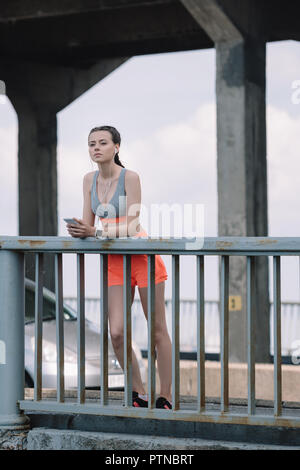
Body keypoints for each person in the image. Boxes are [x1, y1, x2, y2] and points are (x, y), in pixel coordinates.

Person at [67, 125, 172, 409]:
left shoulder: (131, 177)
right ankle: (138, 391)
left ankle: (165, 395)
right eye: (91, 144)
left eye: (102, 142)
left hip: (142, 257)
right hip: (115, 262)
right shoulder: (88, 180)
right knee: (116, 332)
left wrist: (96, 234)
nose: (96, 148)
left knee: (157, 329)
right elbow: (90, 224)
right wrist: (80, 230)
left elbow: (132, 225)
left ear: (116, 147)